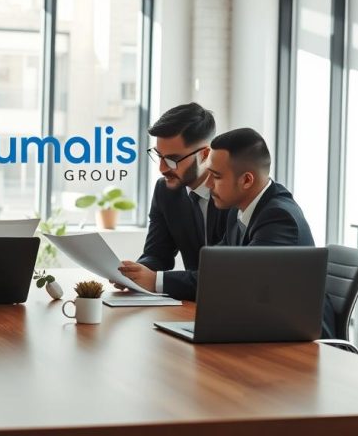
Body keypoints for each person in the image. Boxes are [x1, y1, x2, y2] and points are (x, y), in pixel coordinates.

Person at [196, 127, 333, 336]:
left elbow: (239, 283)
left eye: (215, 176)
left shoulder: (279, 217)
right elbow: (215, 272)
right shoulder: (237, 211)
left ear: (247, 180)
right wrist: (157, 280)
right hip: (264, 329)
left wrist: (158, 281)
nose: (207, 184)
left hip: (301, 345)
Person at [116, 103, 229, 300]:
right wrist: (136, 272)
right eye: (159, 156)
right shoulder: (165, 192)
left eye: (172, 159)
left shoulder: (232, 195)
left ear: (205, 154)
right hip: (192, 306)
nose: (161, 168)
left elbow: (227, 276)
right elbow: (157, 254)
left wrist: (156, 281)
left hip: (226, 302)